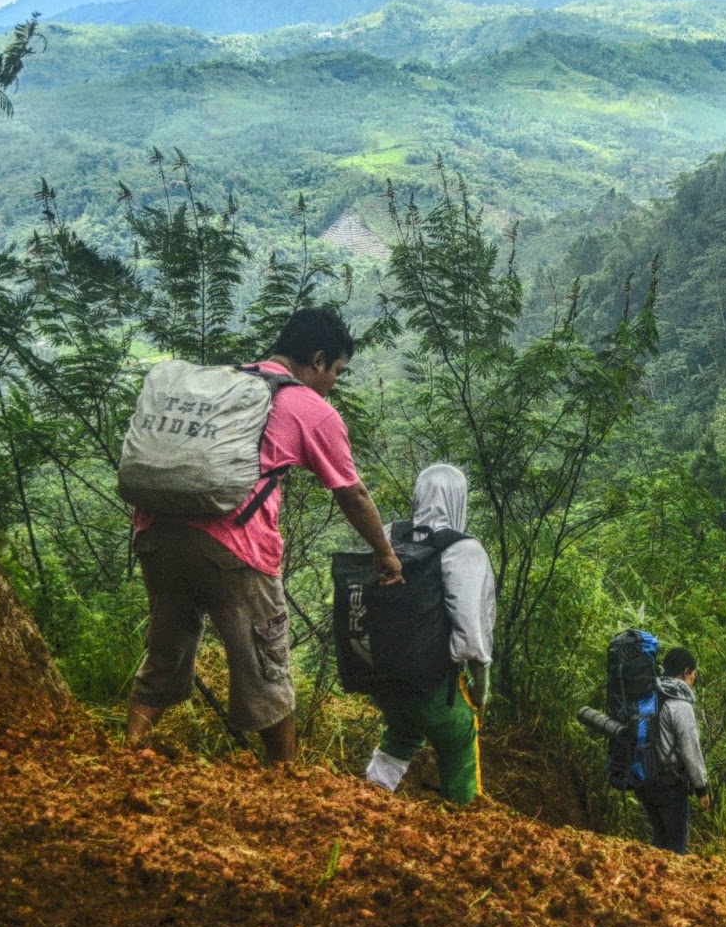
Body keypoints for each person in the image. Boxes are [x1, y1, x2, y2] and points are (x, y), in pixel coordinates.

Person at [125, 308, 401, 765]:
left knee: (165, 652)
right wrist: (385, 554)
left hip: (157, 533)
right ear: (317, 359)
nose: (334, 382)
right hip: (233, 549)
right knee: (266, 664)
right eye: (336, 371)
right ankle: (285, 778)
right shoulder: (308, 407)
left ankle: (128, 751)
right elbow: (352, 494)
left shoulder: (227, 385)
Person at [363, 463, 496, 804]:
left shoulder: (389, 535)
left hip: (384, 680)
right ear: (459, 500)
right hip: (434, 686)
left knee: (403, 733)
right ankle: (464, 823)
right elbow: (471, 634)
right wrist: (481, 692)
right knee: (461, 739)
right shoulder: (465, 550)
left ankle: (367, 801)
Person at [637, 647, 710, 855]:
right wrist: (701, 788)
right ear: (687, 672)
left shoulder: (652, 695)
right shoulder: (680, 704)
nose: (694, 678)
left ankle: (652, 883)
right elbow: (691, 749)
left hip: (646, 779)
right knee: (675, 847)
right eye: (694, 673)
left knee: (659, 841)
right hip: (670, 785)